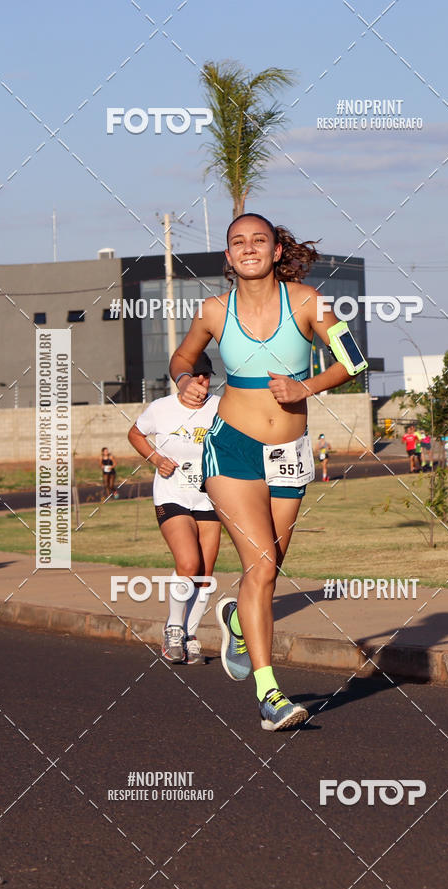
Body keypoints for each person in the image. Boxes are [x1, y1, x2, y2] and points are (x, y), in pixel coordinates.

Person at [169, 212, 358, 730]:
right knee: (263, 566)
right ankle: (270, 694)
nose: (248, 248)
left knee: (268, 570)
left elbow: (354, 357)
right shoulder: (212, 310)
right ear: (228, 258)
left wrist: (305, 388)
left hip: (290, 450)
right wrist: (187, 380)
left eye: (259, 240)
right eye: (238, 242)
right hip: (231, 449)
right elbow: (183, 358)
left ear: (277, 250)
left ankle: (233, 617)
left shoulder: (307, 301)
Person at [127, 352, 221, 664]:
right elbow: (135, 434)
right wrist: (155, 459)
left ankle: (191, 635)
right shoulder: (161, 409)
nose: (202, 383)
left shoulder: (219, 408)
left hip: (209, 497)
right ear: (181, 380)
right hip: (172, 495)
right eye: (196, 376)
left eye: (206, 376)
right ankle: (173, 629)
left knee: (205, 575)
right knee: (189, 562)